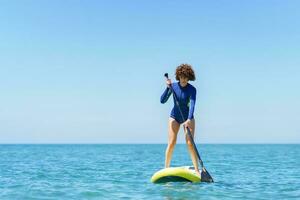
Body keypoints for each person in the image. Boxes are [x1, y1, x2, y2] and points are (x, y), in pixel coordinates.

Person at [160, 64, 200, 176]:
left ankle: (197, 169)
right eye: (182, 77)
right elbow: (162, 101)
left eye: (186, 77)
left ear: (189, 77)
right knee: (172, 142)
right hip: (175, 116)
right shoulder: (173, 86)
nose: (183, 80)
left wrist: (188, 119)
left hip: (188, 117)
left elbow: (192, 105)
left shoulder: (192, 90)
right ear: (178, 76)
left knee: (189, 143)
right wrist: (167, 88)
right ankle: (166, 169)